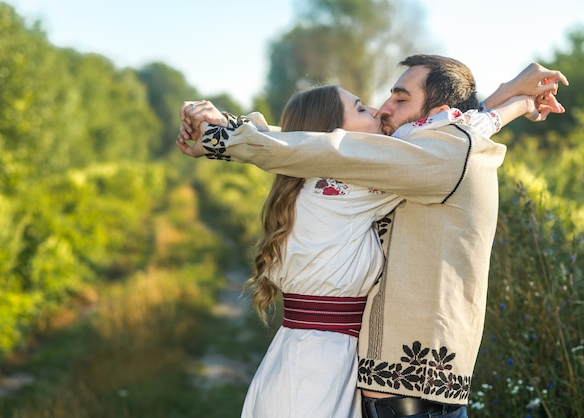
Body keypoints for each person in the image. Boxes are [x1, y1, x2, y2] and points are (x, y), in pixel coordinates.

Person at [177, 56, 568, 418]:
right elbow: (323, 145)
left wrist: (514, 97)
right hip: (323, 370)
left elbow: (438, 140)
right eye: (363, 108)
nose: (381, 109)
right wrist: (514, 101)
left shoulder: (426, 158)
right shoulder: (350, 181)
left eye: (398, 98)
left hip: (366, 380)